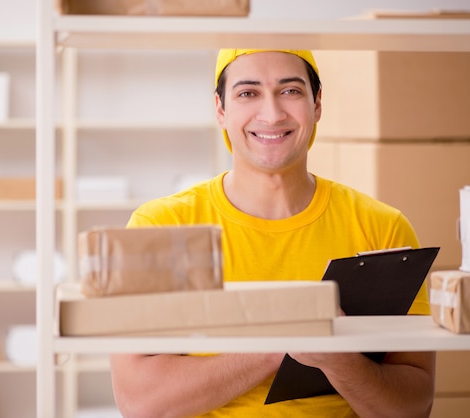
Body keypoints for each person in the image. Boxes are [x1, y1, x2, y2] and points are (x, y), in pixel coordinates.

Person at [109, 49, 435, 418]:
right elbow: (139, 402)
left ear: (317, 105)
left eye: (290, 91)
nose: (272, 113)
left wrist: (340, 360)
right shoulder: (161, 227)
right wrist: (280, 344)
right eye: (248, 93)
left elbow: (413, 408)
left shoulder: (383, 228)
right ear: (220, 109)